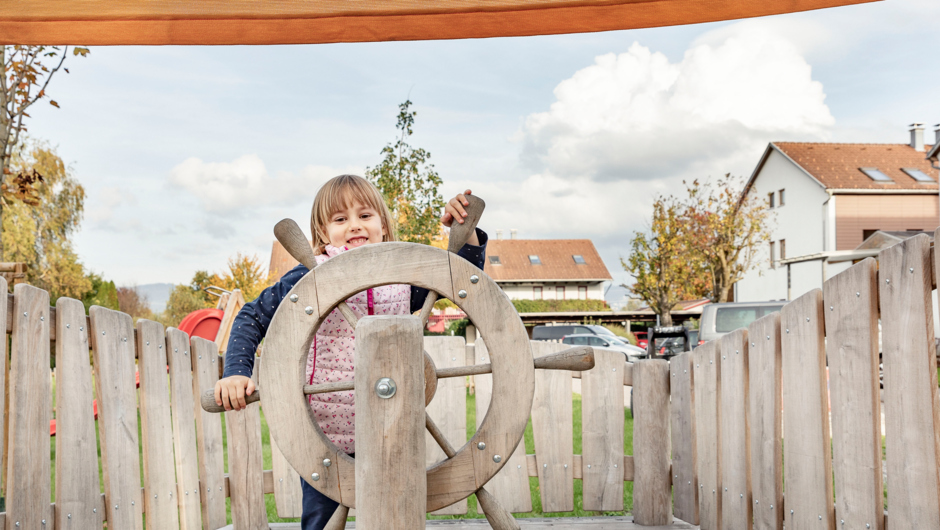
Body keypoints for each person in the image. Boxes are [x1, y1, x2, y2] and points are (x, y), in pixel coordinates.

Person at [214, 174, 487, 530]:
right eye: (341, 219)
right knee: (321, 521)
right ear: (323, 232)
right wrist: (236, 371)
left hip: (392, 426)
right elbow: (252, 315)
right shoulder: (307, 277)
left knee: (397, 518)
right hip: (324, 434)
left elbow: (462, 279)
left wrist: (467, 231)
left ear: (384, 225)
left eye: (365, 215)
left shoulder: (405, 279)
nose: (354, 226)